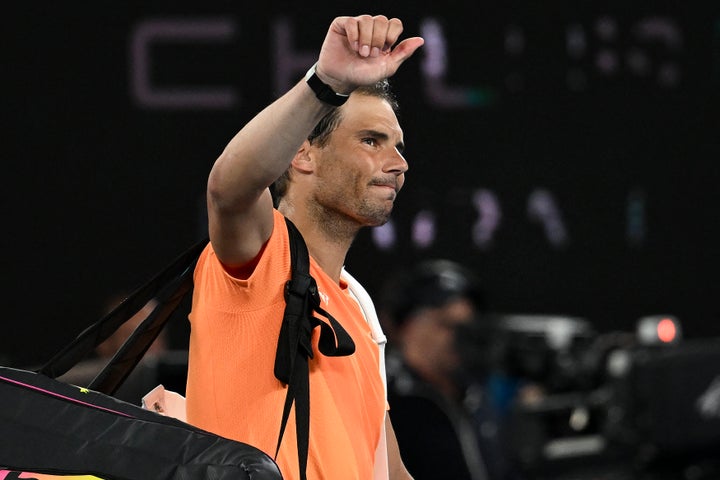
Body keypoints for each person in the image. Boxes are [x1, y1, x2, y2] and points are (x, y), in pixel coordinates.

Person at [184, 15, 424, 480]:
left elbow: (390, 471)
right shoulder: (261, 257)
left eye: (397, 146)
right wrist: (326, 83)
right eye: (371, 140)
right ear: (303, 153)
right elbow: (228, 189)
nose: (398, 164)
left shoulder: (359, 305)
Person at [379, 259, 516, 480]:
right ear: (407, 326)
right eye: (446, 325)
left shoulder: (475, 393)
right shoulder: (384, 398)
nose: (459, 338)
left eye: (465, 327)